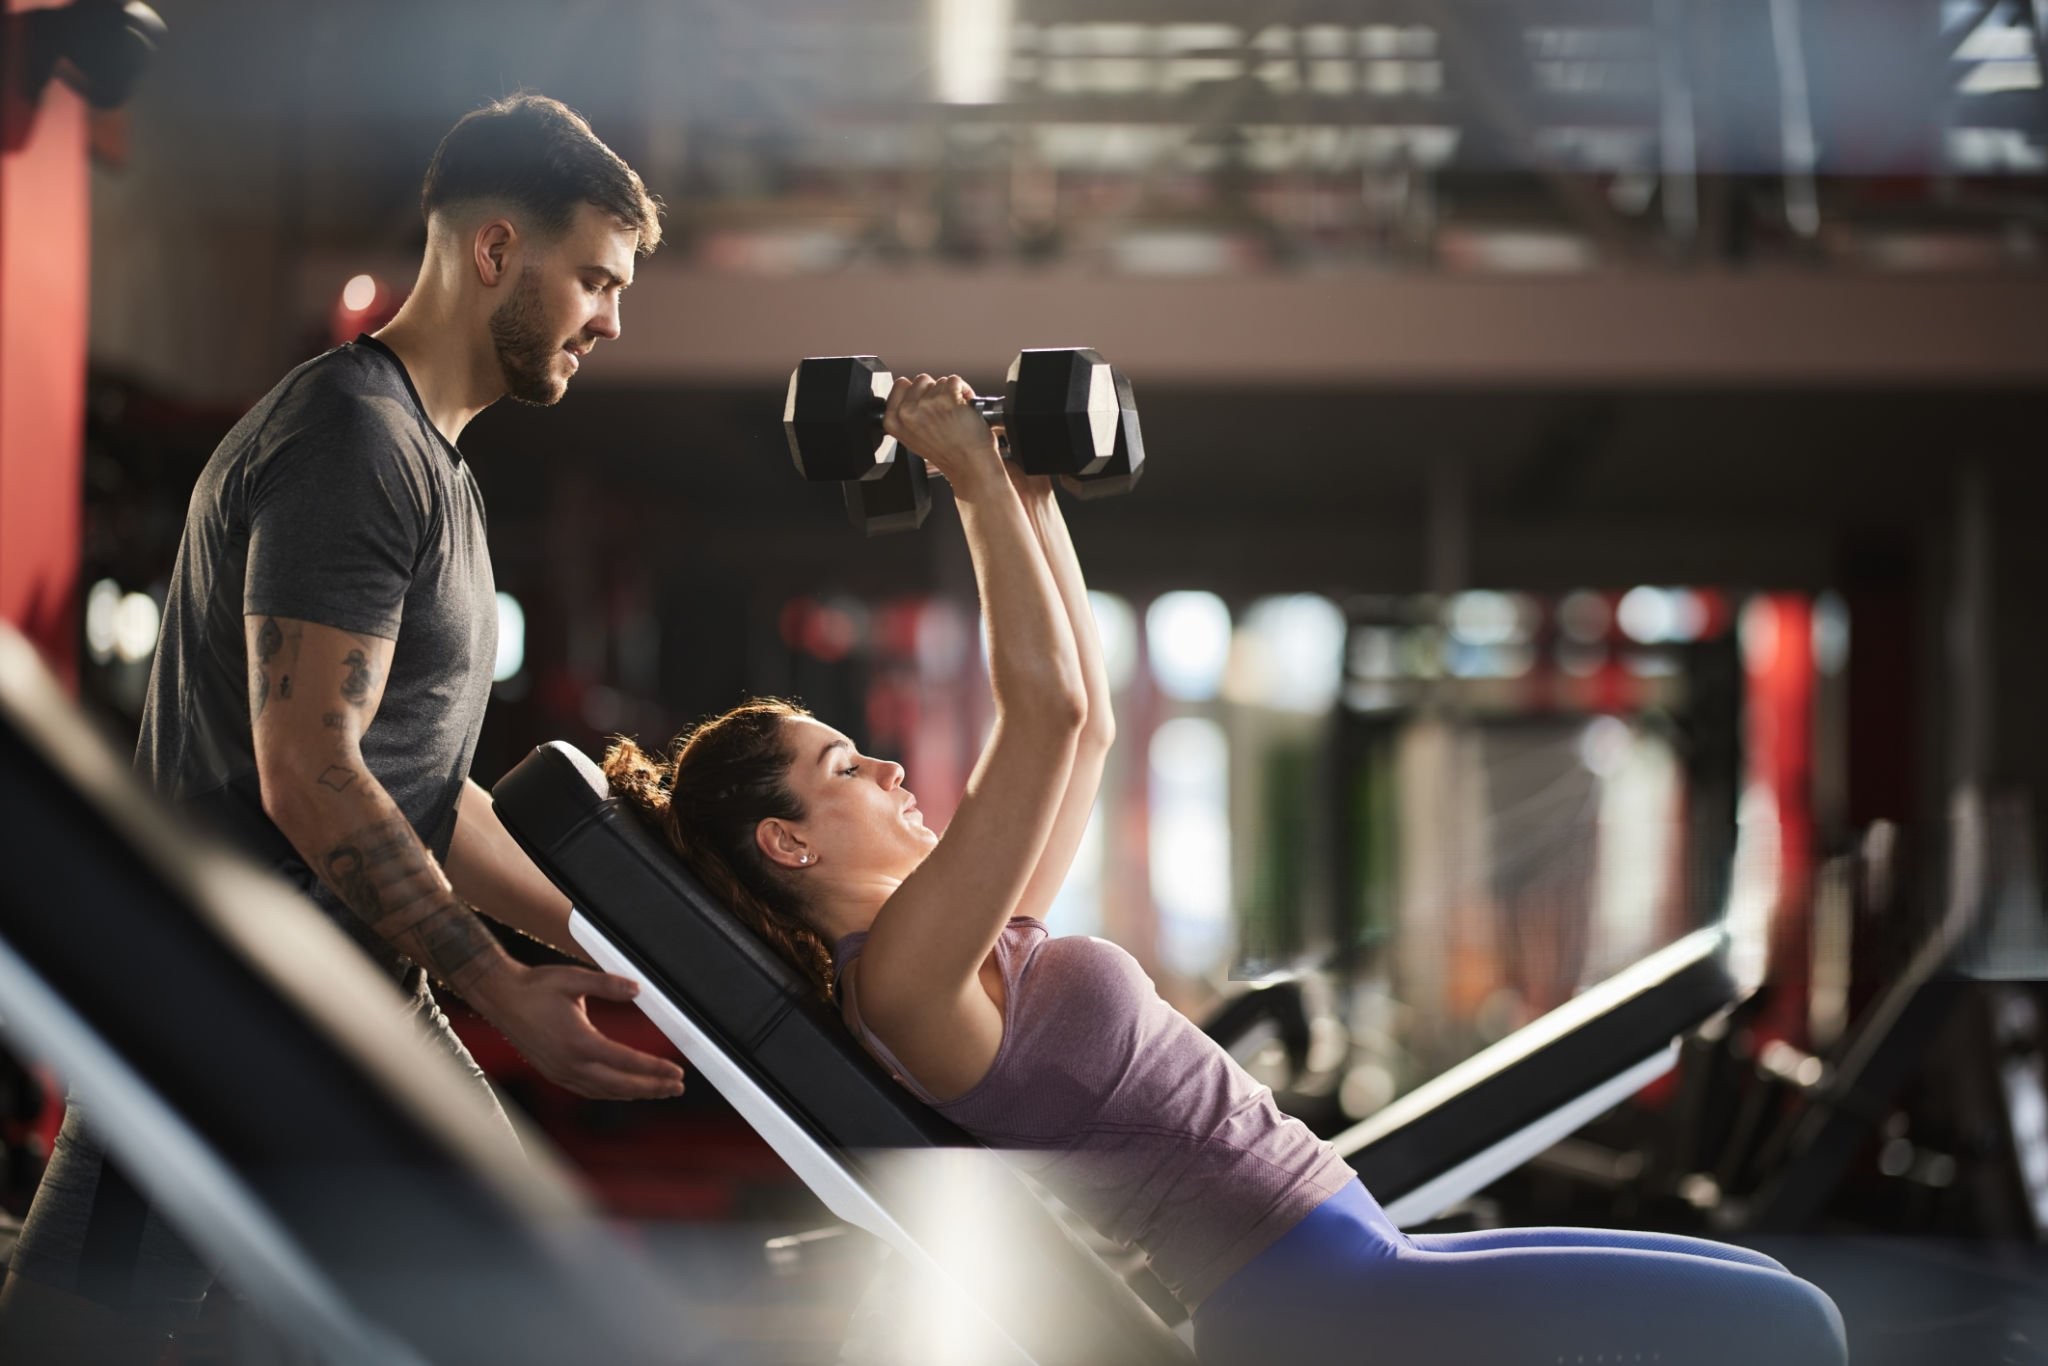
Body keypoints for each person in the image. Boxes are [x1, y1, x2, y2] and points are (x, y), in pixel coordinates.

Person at [602, 375, 1851, 1365]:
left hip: (1348, 1263)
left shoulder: (965, 939)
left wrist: (1026, 490)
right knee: (1793, 1334)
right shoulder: (905, 982)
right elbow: (1032, 720)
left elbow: (1081, 722)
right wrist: (969, 478)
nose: (882, 763)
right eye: (841, 766)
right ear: (787, 843)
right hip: (1318, 1303)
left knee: (1775, 1300)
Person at [0, 93, 686, 1363]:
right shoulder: (351, 443)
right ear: (493, 250)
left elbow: (431, 794)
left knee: (524, 1309)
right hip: (226, 1009)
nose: (611, 317)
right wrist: (500, 989)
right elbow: (311, 773)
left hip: (347, 994)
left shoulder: (440, 473)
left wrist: (638, 954)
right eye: (594, 277)